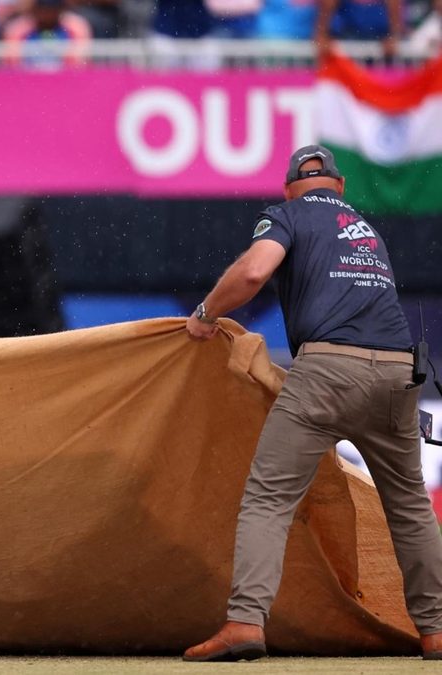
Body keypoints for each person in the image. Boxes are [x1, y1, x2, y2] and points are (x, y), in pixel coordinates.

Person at [182, 145, 442, 662]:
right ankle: (436, 631)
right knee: (411, 508)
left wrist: (206, 313)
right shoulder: (367, 231)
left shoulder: (287, 216)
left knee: (268, 497)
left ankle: (244, 623)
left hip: (327, 371)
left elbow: (255, 272)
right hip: (399, 371)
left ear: (288, 190)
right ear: (340, 187)